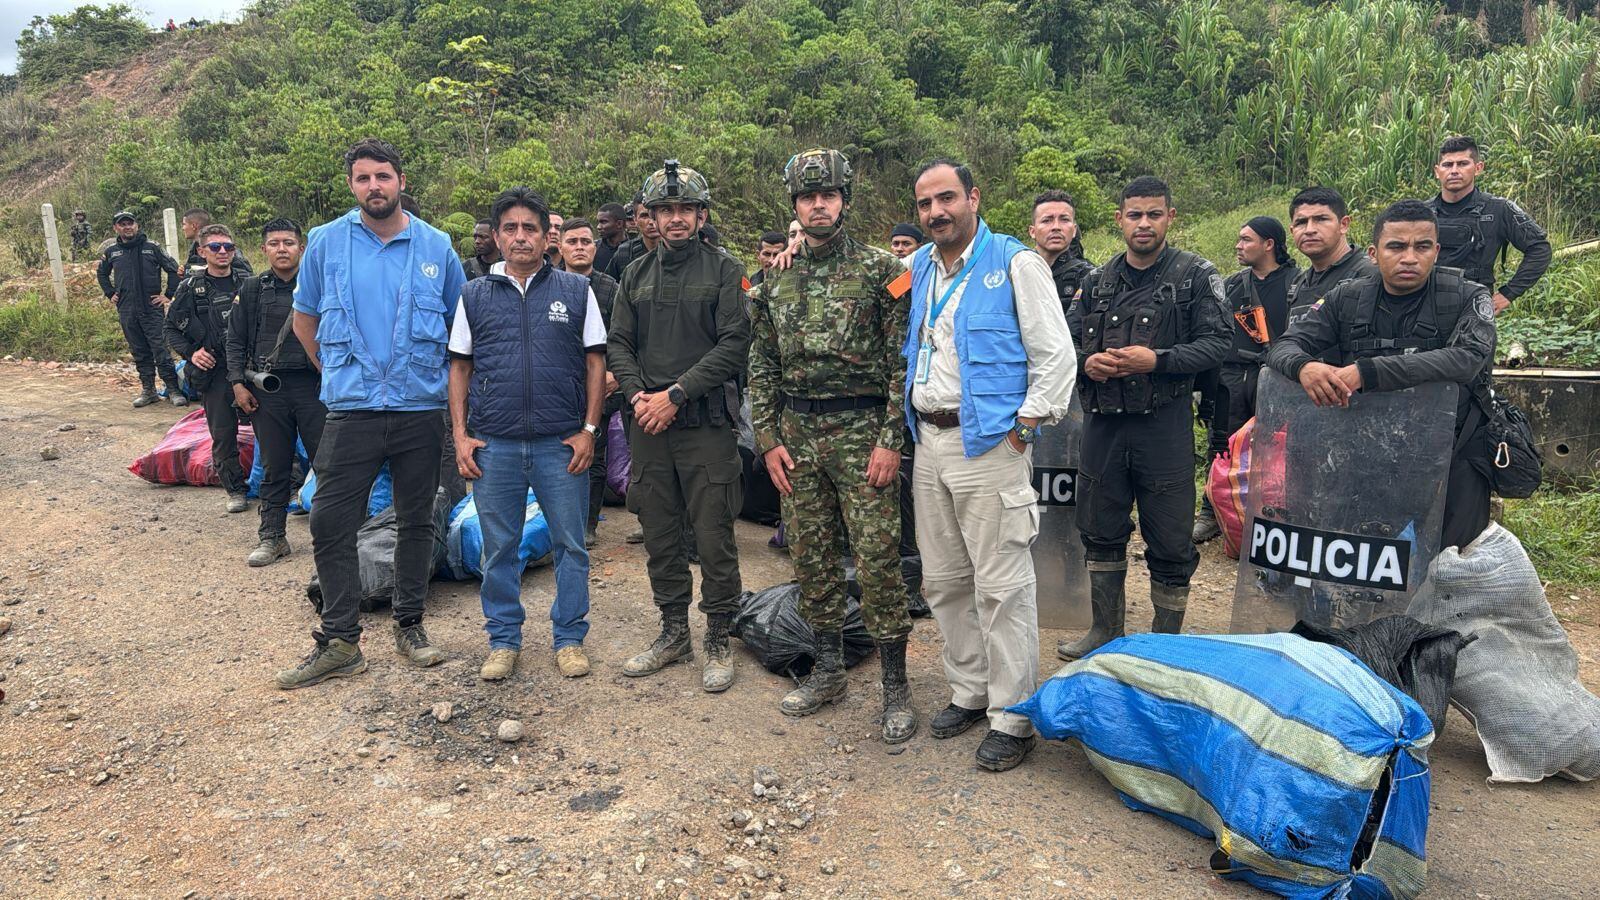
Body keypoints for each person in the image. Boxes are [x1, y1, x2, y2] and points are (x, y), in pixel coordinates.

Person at [273, 138, 466, 690]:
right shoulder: (326, 242)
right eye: (363, 178)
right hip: (351, 410)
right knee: (330, 521)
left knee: (417, 519)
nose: (374, 186)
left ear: (401, 181)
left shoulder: (436, 246)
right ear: (352, 185)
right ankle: (340, 641)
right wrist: (338, 373)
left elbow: (460, 330)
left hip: (418, 409)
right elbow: (305, 320)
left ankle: (410, 625)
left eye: (383, 176)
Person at [905, 158, 1076, 771]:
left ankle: (1013, 715)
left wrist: (1024, 429)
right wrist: (793, 249)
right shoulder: (918, 266)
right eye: (925, 204)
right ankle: (970, 691)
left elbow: (1056, 356)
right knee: (945, 580)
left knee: (1002, 586)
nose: (936, 212)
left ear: (973, 198)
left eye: (946, 198)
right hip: (929, 442)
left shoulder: (1015, 263)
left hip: (991, 445)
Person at [749, 148, 916, 741]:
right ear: (794, 205)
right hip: (797, 435)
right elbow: (762, 363)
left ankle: (895, 685)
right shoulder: (773, 278)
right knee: (811, 556)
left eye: (828, 196)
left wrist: (891, 439)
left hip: (862, 433)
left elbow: (902, 362)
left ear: (845, 201)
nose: (818, 205)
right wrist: (767, 438)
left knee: (876, 559)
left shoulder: (882, 271)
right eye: (807, 197)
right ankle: (827, 670)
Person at [1060, 177, 1228, 662]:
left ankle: (1162, 646)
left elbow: (1219, 344)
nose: (1144, 224)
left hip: (1164, 426)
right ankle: (1104, 630)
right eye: (1135, 215)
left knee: (1171, 537)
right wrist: (1086, 363)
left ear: (1170, 217)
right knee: (1099, 526)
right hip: (1103, 426)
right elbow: (1062, 344)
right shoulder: (1096, 282)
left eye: (1154, 214)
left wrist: (1158, 360)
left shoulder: (1195, 275)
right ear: (1120, 220)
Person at [1266, 200, 1495, 550]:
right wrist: (1304, 367)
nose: (1409, 258)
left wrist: (1368, 371)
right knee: (1355, 554)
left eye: (1422, 247)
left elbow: (1468, 358)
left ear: (1436, 251)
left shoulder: (1468, 296)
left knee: (1451, 564)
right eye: (1396, 247)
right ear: (1374, 253)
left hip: (1452, 452)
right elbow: (1283, 346)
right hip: (1368, 451)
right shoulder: (1346, 298)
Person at [448, 188, 605, 682]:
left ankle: (570, 638)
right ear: (497, 237)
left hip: (561, 444)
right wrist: (460, 435)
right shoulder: (474, 295)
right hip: (495, 445)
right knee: (499, 547)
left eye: (530, 228)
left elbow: (595, 362)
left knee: (571, 545)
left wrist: (589, 430)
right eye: (510, 228)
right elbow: (460, 367)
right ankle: (503, 640)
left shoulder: (576, 291)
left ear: (546, 237)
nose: (521, 237)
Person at [607, 160, 751, 693]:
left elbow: (734, 345)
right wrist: (638, 395)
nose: (674, 218)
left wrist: (676, 394)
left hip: (704, 426)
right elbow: (619, 343)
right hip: (648, 425)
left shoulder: (725, 269)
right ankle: (673, 632)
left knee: (713, 535)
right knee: (660, 533)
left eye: (685, 209)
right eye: (664, 209)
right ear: (649, 217)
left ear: (701, 215)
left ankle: (717, 636)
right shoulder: (634, 274)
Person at [227, 218, 324, 566]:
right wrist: (238, 384)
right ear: (264, 249)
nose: (282, 249)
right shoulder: (253, 288)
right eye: (274, 243)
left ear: (301, 248)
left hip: (315, 389)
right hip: (269, 390)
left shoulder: (319, 286)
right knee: (274, 467)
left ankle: (334, 542)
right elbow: (235, 340)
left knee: (328, 466)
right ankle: (272, 537)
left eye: (288, 242)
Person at [1193, 216, 1296, 543]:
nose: (1238, 246)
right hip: (1232, 377)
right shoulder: (1231, 285)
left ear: (1269, 244)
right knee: (1222, 445)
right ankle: (1212, 511)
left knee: (1277, 449)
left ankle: (1274, 520)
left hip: (1277, 376)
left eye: (1246, 240)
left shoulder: (1297, 284)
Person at [166, 224, 251, 511]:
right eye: (215, 247)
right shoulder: (191, 288)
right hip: (216, 371)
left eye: (228, 246)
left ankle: (283, 485)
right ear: (202, 252)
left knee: (272, 430)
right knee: (223, 434)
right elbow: (170, 329)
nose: (223, 252)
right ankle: (235, 490)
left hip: (250, 368)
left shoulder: (249, 282)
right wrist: (192, 354)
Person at [1427, 136, 1551, 314]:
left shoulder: (1498, 209)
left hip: (1475, 309)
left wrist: (1508, 293)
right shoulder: (1421, 213)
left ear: (1478, 168)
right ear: (1437, 171)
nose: (1454, 171)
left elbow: (1540, 249)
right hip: (1425, 308)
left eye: (1462, 164)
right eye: (1447, 165)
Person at [559, 217, 623, 547]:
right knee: (558, 455)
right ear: (559, 247)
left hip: (602, 386)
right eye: (572, 242)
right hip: (560, 387)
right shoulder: (549, 284)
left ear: (595, 248)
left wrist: (615, 373)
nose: (580, 247)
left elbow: (624, 336)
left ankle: (588, 524)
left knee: (594, 457)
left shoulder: (612, 288)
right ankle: (556, 522)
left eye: (586, 242)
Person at [97, 210, 186, 408]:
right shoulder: (112, 252)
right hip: (127, 309)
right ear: (116, 228)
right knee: (139, 351)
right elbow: (101, 274)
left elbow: (174, 270)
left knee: (161, 350)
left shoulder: (152, 247)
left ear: (136, 225)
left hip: (151, 309)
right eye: (122, 224)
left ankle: (173, 390)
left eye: (130, 223)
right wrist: (110, 293)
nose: (127, 227)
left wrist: (168, 295)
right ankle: (149, 391)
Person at [1286, 186, 1375, 327]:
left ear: (1343, 224)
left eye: (1321, 219)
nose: (1309, 230)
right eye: (1301, 222)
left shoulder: (1370, 274)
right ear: (1292, 231)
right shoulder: (1298, 284)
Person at [1028, 190, 1092, 315]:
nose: (1056, 227)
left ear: (1074, 230)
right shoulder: (1017, 273)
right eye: (1047, 220)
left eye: (1064, 219)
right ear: (1032, 231)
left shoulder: (1089, 278)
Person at [604, 194, 661, 281]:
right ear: (635, 220)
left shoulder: (679, 250)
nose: (651, 222)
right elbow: (608, 285)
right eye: (644, 216)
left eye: (654, 215)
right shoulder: (624, 254)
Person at [181, 209, 251, 278]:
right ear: (201, 251)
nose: (222, 251)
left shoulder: (230, 251)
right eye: (215, 247)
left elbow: (247, 276)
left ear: (193, 226)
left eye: (184, 224)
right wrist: (184, 273)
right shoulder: (194, 249)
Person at [593, 202, 628, 275]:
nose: (598, 227)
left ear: (619, 224)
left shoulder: (633, 251)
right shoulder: (593, 249)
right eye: (598, 222)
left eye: (603, 222)